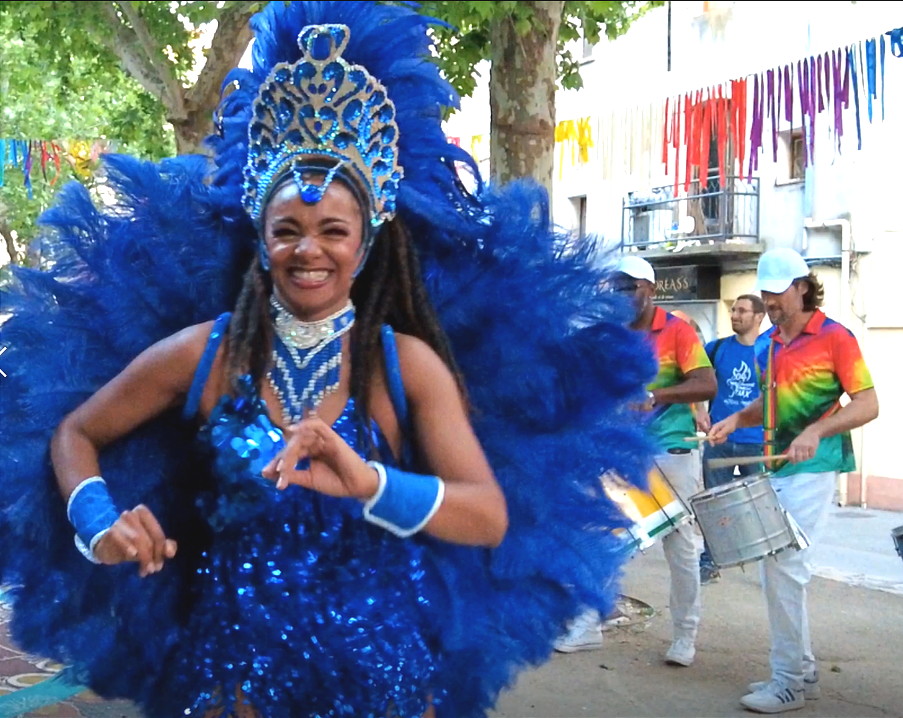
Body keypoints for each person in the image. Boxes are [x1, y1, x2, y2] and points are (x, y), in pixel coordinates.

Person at [0, 4, 658, 717]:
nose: (308, 249)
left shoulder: (404, 367)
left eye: (332, 230)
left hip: (383, 674)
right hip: (234, 671)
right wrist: (100, 521)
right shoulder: (208, 353)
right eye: (287, 229)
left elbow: (486, 514)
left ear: (366, 242)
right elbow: (77, 433)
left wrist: (369, 482)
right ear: (262, 239)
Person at [709, 248, 879, 714]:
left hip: (814, 467)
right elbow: (771, 406)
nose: (770, 302)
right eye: (765, 293)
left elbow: (868, 403)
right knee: (778, 573)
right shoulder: (772, 343)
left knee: (785, 570)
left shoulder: (836, 338)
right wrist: (734, 418)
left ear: (802, 287)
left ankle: (788, 681)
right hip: (776, 466)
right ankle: (799, 671)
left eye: (777, 292)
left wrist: (817, 430)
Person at [554, 256, 717, 667]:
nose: (623, 296)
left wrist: (657, 396)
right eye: (617, 287)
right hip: (622, 453)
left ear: (651, 290)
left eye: (631, 287)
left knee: (680, 550)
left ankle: (685, 635)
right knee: (605, 535)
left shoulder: (677, 331)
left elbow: (706, 382)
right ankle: (588, 624)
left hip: (673, 451)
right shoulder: (610, 335)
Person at [695, 294, 768, 584]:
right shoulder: (718, 348)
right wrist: (699, 408)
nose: (734, 315)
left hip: (759, 443)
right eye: (733, 310)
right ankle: (710, 561)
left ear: (759, 317)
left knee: (763, 507)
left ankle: (768, 565)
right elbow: (694, 376)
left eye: (742, 311)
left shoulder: (772, 351)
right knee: (715, 506)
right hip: (719, 440)